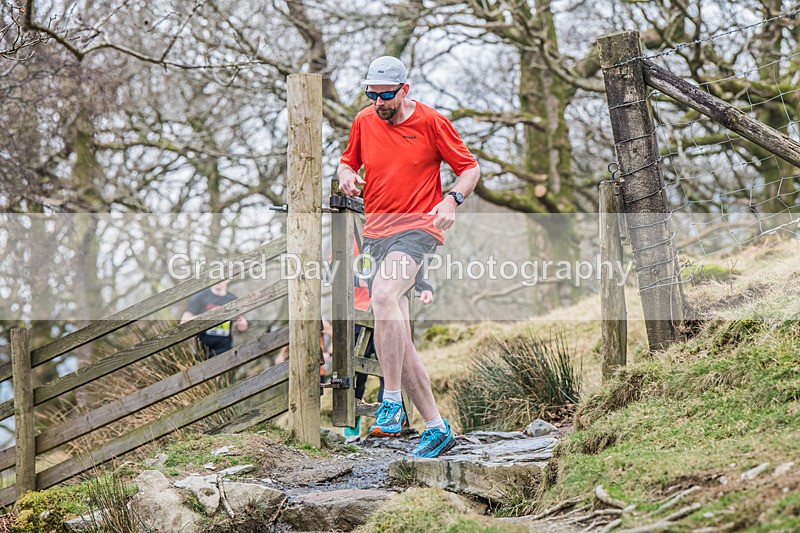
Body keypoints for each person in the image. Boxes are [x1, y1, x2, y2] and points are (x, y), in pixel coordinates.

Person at [336, 56, 481, 458]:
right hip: (376, 233)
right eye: (372, 94)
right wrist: (346, 173)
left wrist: (452, 200)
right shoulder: (364, 121)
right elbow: (348, 160)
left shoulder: (432, 122)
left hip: (417, 228)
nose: (379, 102)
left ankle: (392, 403)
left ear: (405, 89)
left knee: (383, 297)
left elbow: (469, 169)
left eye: (386, 95)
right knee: (398, 332)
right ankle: (436, 426)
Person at [345, 259, 434, 440]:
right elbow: (335, 273)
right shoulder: (351, 241)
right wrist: (363, 279)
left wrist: (424, 286)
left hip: (386, 312)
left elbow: (404, 267)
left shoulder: (387, 239)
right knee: (356, 376)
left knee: (389, 369)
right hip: (356, 312)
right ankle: (352, 426)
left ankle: (385, 422)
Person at [181, 280, 248, 357]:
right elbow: (184, 322)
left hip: (225, 350)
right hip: (202, 350)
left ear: (228, 279)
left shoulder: (233, 299)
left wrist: (241, 325)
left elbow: (240, 322)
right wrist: (207, 316)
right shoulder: (200, 297)